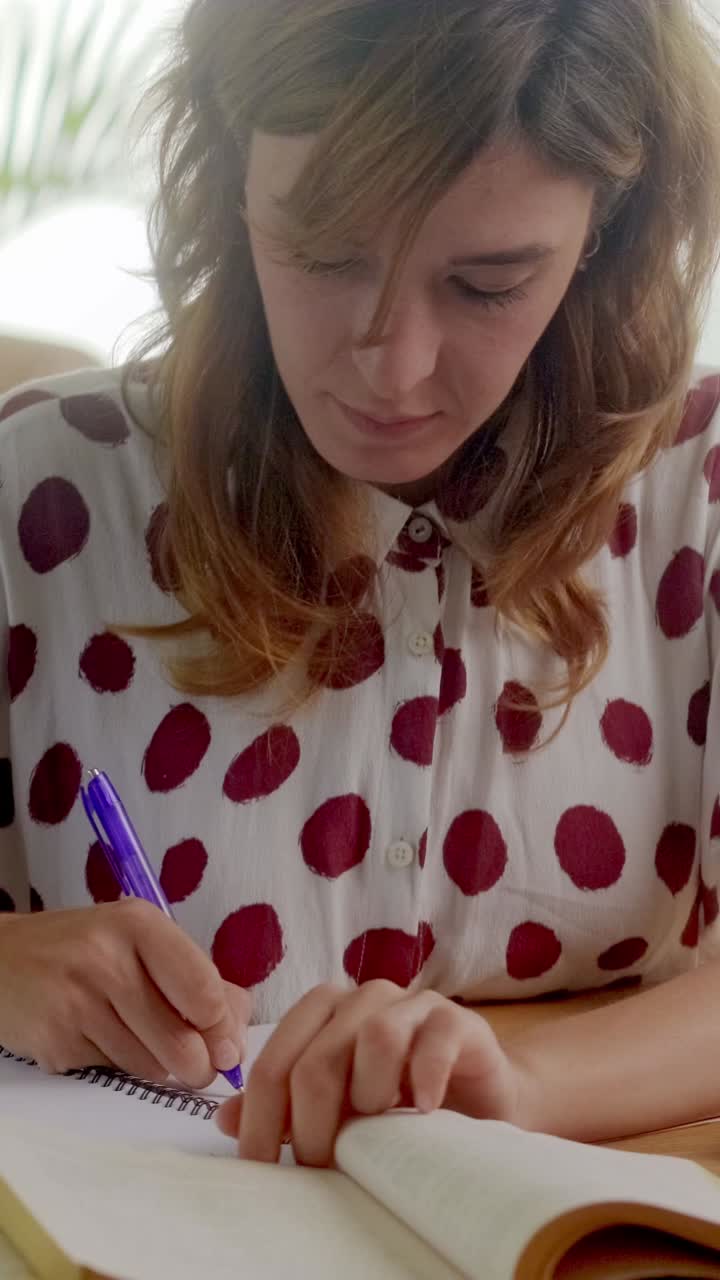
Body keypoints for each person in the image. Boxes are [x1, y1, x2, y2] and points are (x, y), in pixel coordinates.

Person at [1, 0, 720, 1171]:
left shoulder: (702, 487)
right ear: (231, 183)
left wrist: (522, 1079)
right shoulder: (36, 492)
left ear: (606, 231)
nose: (394, 368)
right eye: (327, 253)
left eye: (489, 284)